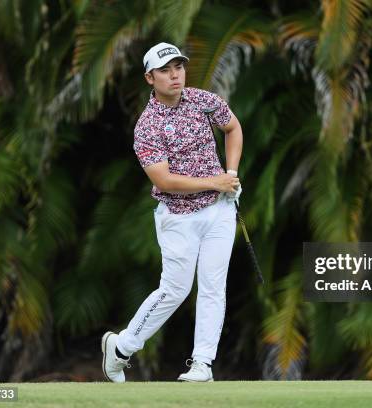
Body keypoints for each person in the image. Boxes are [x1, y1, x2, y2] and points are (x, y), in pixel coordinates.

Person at [101, 42, 243, 383]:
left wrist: (232, 174)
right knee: (175, 290)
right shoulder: (147, 127)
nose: (174, 74)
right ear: (150, 77)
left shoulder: (202, 100)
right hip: (178, 218)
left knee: (213, 287)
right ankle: (121, 347)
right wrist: (216, 181)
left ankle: (202, 365)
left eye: (178, 67)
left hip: (219, 211)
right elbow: (164, 181)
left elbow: (233, 127)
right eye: (165, 70)